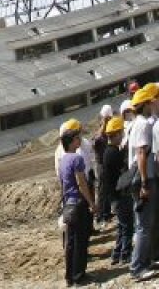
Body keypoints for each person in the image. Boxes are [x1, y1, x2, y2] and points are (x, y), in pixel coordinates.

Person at [128, 83, 158, 281]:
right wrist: (146, 183)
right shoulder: (143, 124)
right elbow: (141, 154)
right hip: (142, 179)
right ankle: (137, 267)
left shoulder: (137, 123)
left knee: (144, 223)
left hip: (139, 178)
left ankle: (144, 261)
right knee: (144, 225)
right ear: (146, 104)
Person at [58, 127, 94, 286]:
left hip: (69, 204)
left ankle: (69, 276)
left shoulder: (63, 159)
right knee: (81, 241)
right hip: (79, 203)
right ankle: (79, 275)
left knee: (71, 242)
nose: (80, 140)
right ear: (71, 142)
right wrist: (92, 203)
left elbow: (63, 183)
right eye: (77, 138)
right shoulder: (77, 158)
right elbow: (81, 183)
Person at [102, 116, 132, 265]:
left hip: (114, 196)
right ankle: (125, 255)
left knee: (121, 227)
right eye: (122, 133)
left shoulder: (109, 151)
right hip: (120, 196)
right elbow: (125, 168)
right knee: (127, 226)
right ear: (118, 133)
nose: (123, 136)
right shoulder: (114, 153)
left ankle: (116, 254)